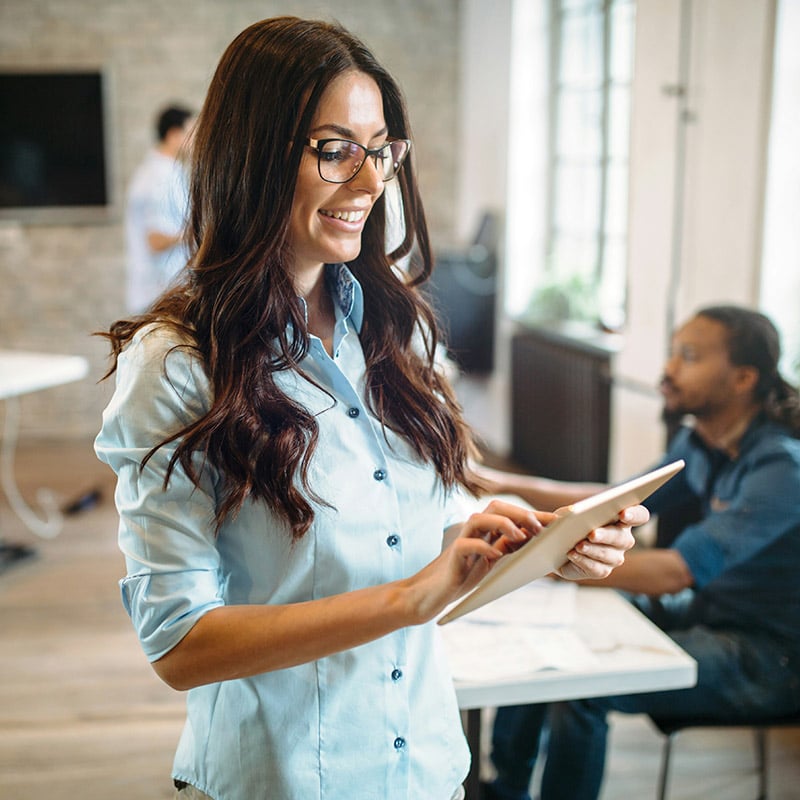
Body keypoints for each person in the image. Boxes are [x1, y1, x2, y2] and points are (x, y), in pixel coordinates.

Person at [94, 17, 643, 800]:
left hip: (424, 767)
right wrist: (411, 598)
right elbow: (180, 643)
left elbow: (424, 517)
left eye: (380, 150)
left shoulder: (401, 330)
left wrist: (530, 541)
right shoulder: (178, 365)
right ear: (253, 152)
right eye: (335, 149)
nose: (369, 183)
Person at [478, 305, 800, 800]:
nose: (668, 368)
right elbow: (616, 499)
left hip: (770, 655)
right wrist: (494, 482)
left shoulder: (783, 469)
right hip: (708, 613)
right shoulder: (704, 442)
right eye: (673, 352)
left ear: (743, 378)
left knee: (581, 683)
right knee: (552, 640)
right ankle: (506, 787)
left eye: (688, 356)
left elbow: (673, 572)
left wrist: (540, 565)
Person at [125, 104, 194, 313]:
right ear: (174, 135)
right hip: (158, 293)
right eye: (192, 132)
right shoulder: (159, 177)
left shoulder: (167, 172)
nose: (197, 139)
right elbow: (155, 240)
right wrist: (199, 233)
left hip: (165, 291)